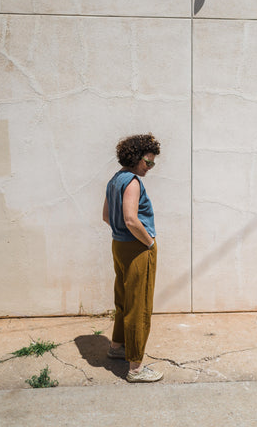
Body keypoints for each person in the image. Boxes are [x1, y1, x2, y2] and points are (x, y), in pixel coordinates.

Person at [102, 133, 163, 383]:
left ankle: (116, 347)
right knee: (139, 305)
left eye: (152, 163)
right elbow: (130, 219)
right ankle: (136, 368)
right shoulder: (133, 182)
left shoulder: (114, 180)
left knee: (124, 299)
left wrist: (121, 235)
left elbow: (106, 216)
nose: (149, 167)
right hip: (137, 249)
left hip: (119, 245)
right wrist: (148, 242)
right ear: (136, 159)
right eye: (147, 162)